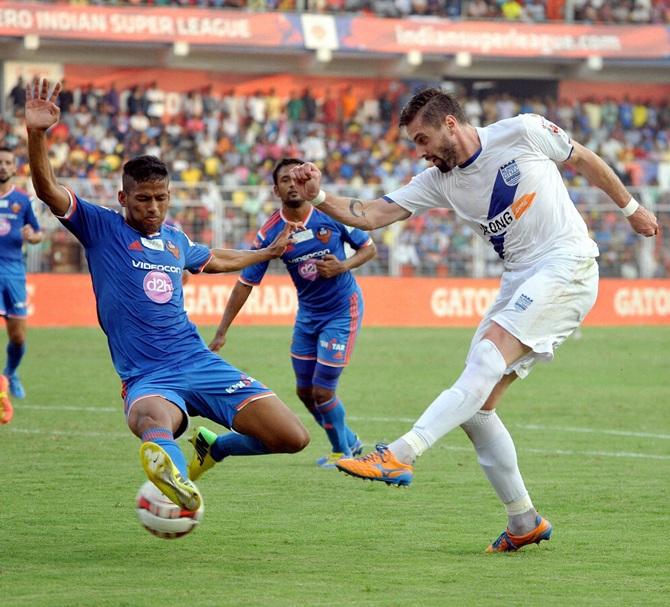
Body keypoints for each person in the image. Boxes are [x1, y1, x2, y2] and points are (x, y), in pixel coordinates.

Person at [289, 88, 658, 552]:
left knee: (486, 359)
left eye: (422, 139)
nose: (419, 152)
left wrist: (630, 208)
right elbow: (372, 214)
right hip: (519, 279)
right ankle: (523, 520)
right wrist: (318, 195)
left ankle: (400, 455)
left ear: (449, 124)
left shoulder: (522, 130)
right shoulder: (438, 180)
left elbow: (582, 159)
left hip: (567, 263)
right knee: (478, 408)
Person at [25, 78, 310, 512]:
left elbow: (212, 258)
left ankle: (214, 448)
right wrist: (37, 134)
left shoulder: (176, 241)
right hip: (148, 374)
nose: (153, 208)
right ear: (123, 197)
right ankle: (174, 481)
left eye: (161, 199)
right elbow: (48, 190)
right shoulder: (100, 227)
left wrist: (268, 252)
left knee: (292, 437)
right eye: (143, 200)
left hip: (198, 361)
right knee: (152, 420)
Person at [209, 158, 377, 468]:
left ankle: (344, 453)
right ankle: (349, 439)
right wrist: (222, 331)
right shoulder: (272, 233)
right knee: (304, 391)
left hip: (342, 310)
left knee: (323, 390)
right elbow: (245, 282)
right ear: (276, 190)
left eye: (297, 178)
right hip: (308, 316)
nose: (292, 184)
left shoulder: (331, 214)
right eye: (285, 180)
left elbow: (369, 249)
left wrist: (343, 265)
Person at [0, 145, 43, 424]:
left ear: (14, 167)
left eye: (6, 162)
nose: (2, 166)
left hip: (14, 273)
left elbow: (38, 234)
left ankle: (11, 372)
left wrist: (32, 235)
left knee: (18, 337)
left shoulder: (22, 200)